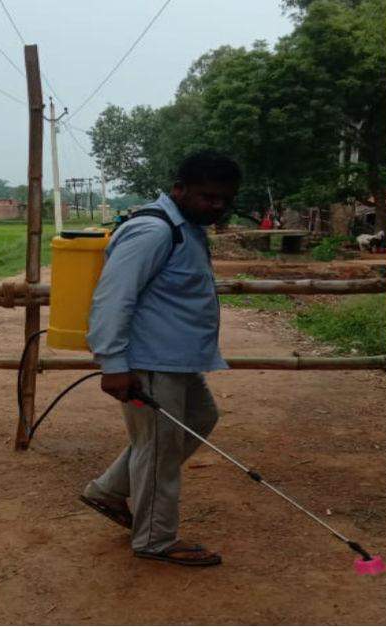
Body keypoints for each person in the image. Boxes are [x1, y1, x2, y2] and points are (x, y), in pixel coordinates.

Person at [79, 151, 242, 565]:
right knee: (159, 450)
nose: (217, 206)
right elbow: (113, 298)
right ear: (179, 189)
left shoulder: (188, 227)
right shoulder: (153, 230)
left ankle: (109, 490)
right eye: (208, 197)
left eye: (225, 199)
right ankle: (154, 538)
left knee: (199, 420)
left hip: (178, 360)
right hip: (149, 364)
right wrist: (114, 365)